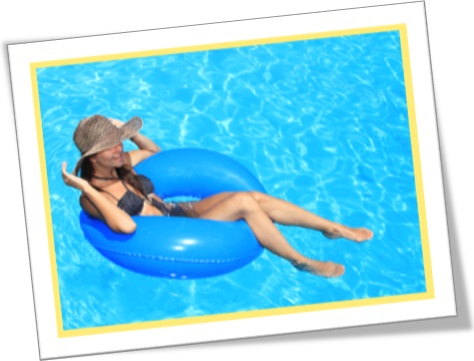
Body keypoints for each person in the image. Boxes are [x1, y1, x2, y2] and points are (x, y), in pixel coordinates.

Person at [62, 115, 373, 278]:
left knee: (249, 195)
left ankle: (330, 227)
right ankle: (302, 262)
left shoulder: (123, 163)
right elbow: (126, 227)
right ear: (91, 157)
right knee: (244, 205)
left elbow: (155, 154)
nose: (118, 149)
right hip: (174, 232)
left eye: (118, 142)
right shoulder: (92, 197)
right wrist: (86, 187)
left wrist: (127, 133)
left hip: (177, 211)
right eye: (110, 146)